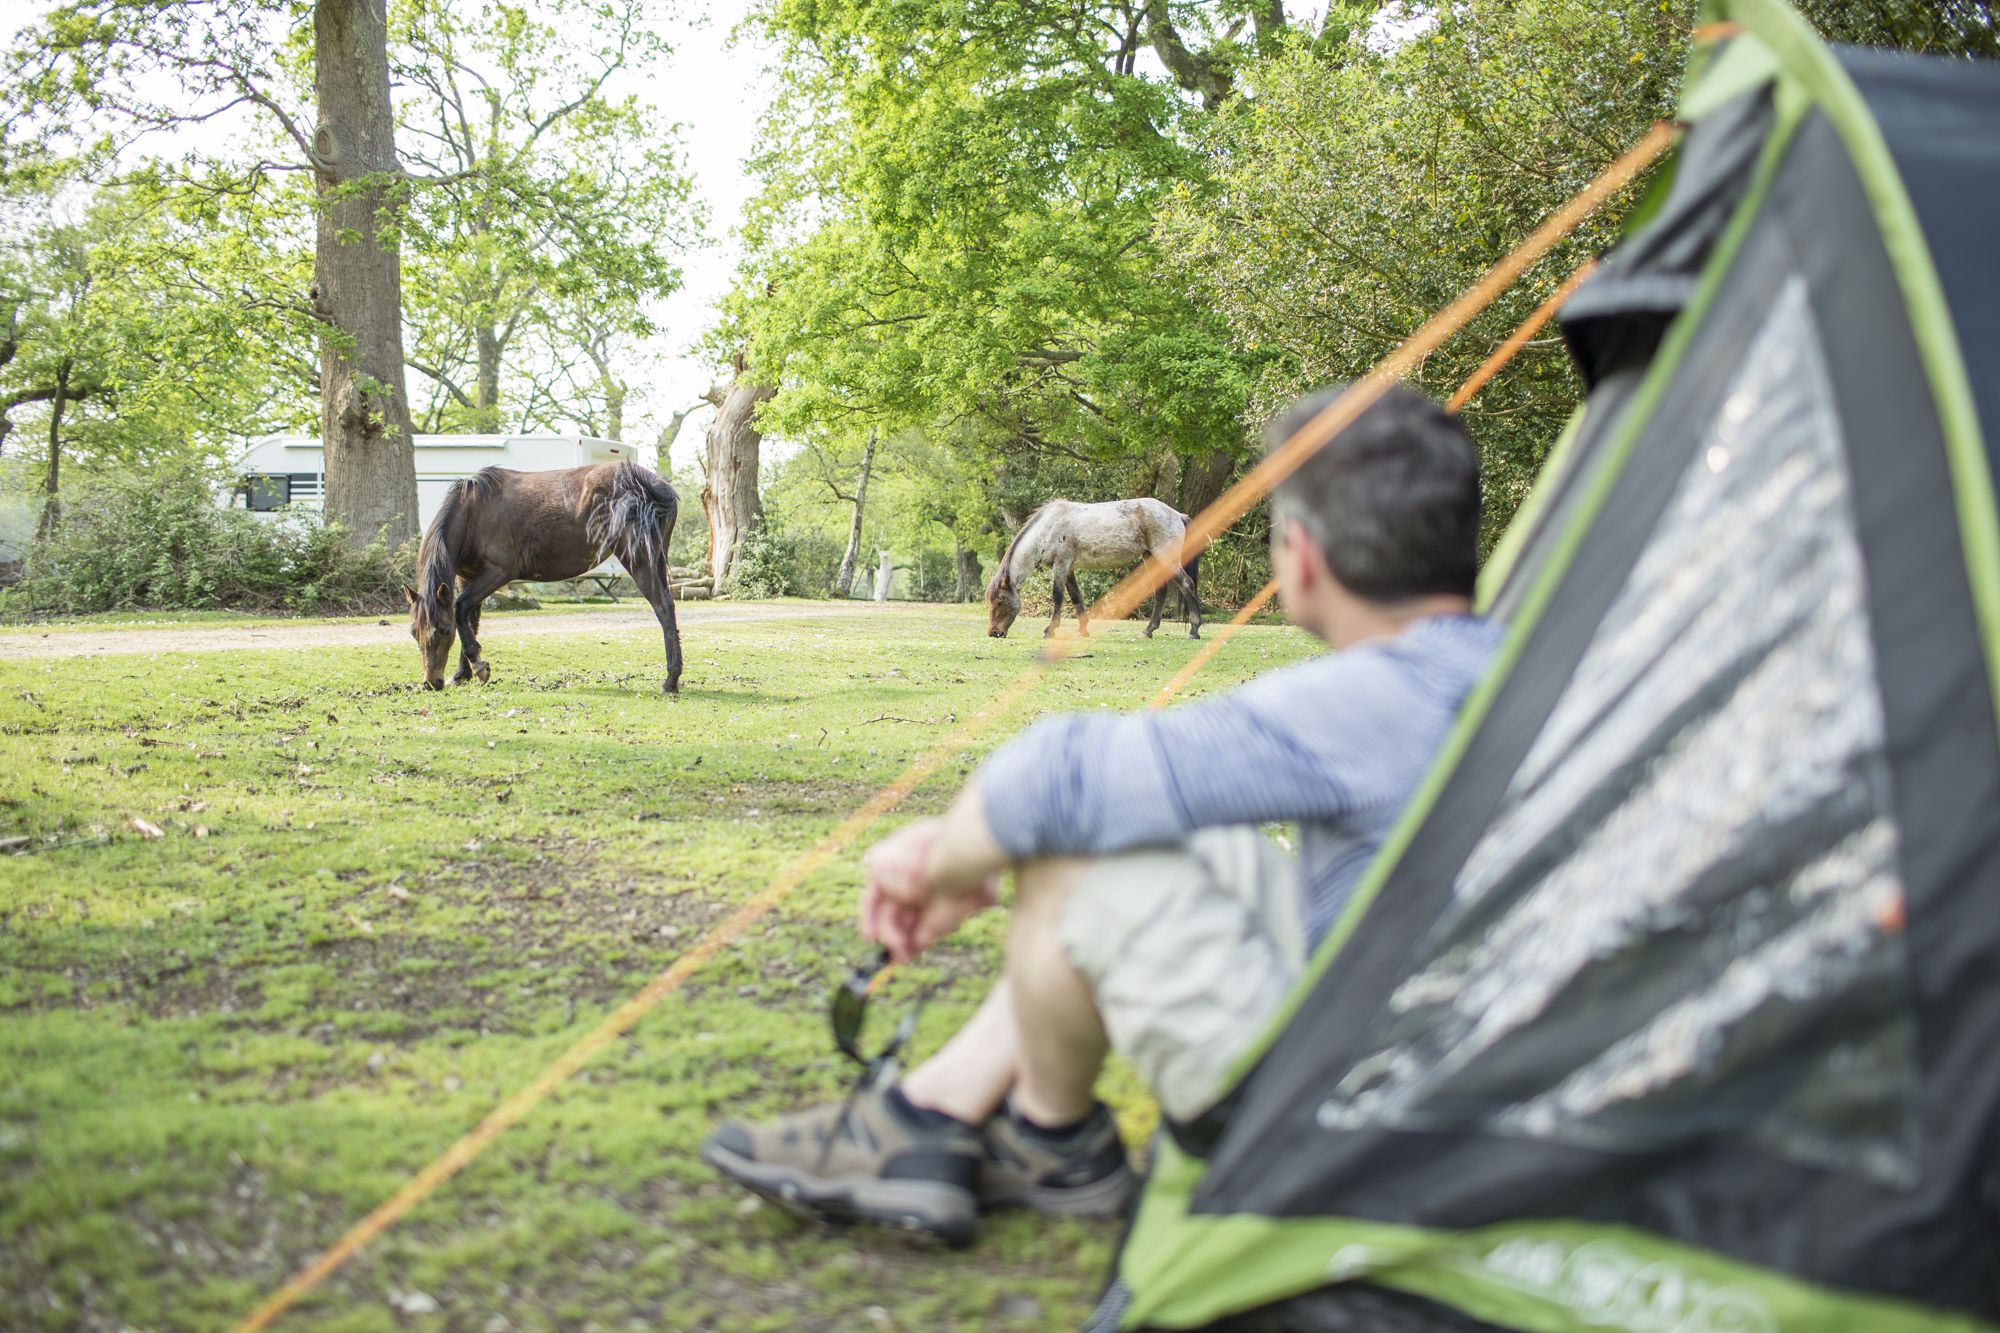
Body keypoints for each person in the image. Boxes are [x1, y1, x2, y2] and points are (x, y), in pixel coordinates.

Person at [703, 384, 1503, 1245]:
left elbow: (1058, 778)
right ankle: (1024, 1130)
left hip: (1365, 1099)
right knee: (1155, 826)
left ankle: (969, 1125)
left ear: (1300, 557)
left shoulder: (1371, 696)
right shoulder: (1539, 657)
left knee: (1078, 842)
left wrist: (937, 859)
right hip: (1472, 1036)